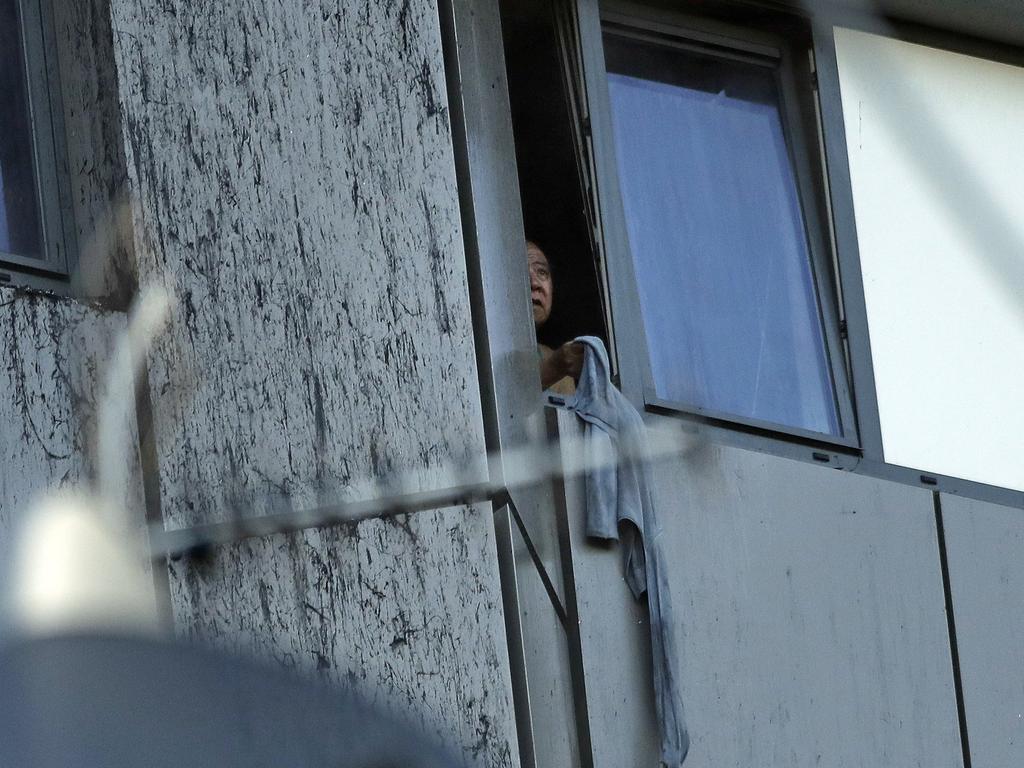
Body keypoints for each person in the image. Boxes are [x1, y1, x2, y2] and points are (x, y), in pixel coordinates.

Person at [527, 240, 584, 394]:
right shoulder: (478, 349)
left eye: (541, 272)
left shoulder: (558, 363)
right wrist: (554, 368)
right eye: (521, 270)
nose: (535, 283)